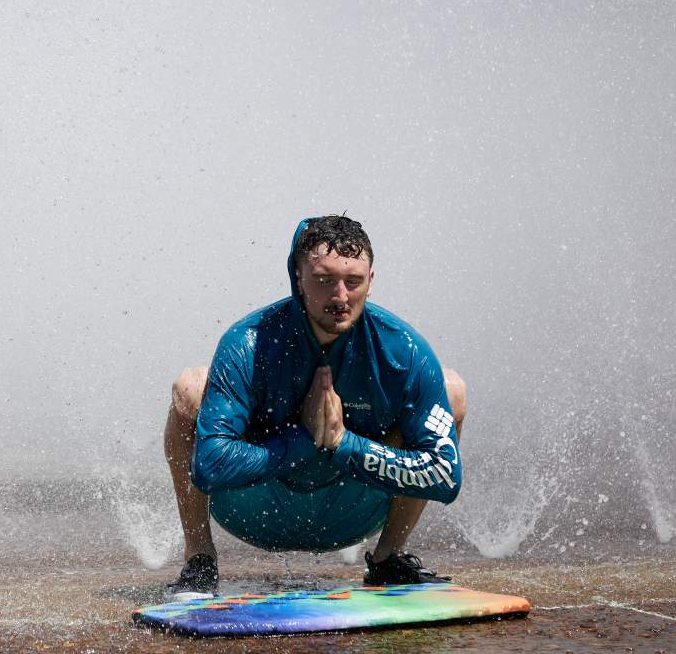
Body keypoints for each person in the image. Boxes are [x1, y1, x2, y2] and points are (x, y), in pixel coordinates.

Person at [163, 215, 466, 594]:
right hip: (256, 505)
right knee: (190, 388)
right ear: (297, 278)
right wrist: (305, 438)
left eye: (353, 282)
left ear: (370, 281)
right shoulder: (247, 342)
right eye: (324, 281)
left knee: (451, 389)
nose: (340, 297)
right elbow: (209, 468)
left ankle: (388, 559)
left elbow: (444, 477)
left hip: (353, 509)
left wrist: (342, 443)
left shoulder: (404, 349)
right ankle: (199, 561)